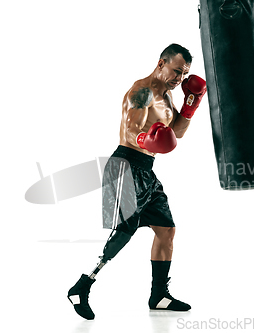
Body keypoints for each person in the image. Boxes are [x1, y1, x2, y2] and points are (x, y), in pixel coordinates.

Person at [67, 43, 207, 320]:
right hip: (125, 165)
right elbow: (131, 131)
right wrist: (147, 139)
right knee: (124, 231)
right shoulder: (141, 91)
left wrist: (191, 105)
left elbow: (176, 133)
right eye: (176, 71)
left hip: (146, 169)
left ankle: (159, 296)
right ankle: (81, 287)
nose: (179, 78)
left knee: (166, 230)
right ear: (161, 63)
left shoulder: (167, 98)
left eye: (184, 74)